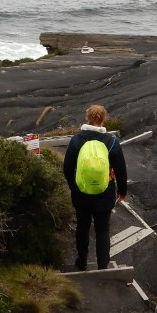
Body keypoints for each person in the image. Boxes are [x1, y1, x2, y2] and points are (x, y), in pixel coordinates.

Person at [62, 104, 128, 271]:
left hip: (81, 193)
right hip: (104, 193)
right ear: (103, 119)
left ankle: (82, 262)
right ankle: (103, 267)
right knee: (102, 230)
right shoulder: (112, 142)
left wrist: (73, 186)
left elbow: (67, 168)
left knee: (82, 227)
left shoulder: (76, 140)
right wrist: (122, 191)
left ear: (87, 118)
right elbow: (121, 169)